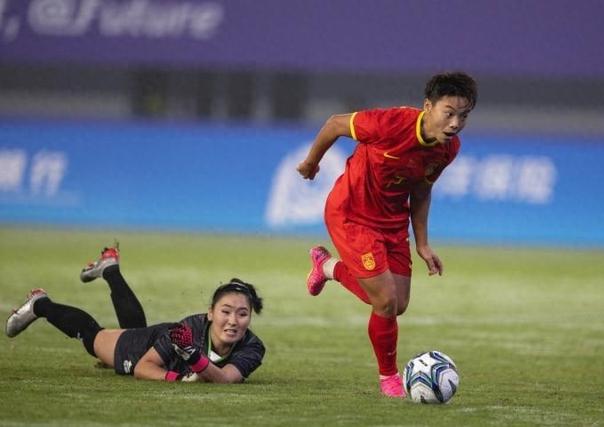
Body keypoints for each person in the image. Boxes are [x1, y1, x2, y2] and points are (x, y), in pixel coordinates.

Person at [297, 72, 477, 397]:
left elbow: (422, 190)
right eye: (448, 112)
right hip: (352, 213)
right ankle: (389, 379)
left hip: (393, 223)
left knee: (399, 304)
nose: (455, 123)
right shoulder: (390, 123)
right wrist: (312, 163)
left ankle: (328, 267)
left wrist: (422, 243)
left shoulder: (447, 149)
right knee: (385, 301)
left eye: (463, 116)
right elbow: (336, 123)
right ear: (428, 106)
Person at [5, 244, 265, 383]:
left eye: (242, 314)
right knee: (92, 338)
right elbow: (142, 367)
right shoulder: (186, 331)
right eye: (226, 311)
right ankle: (40, 304)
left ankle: (109, 269)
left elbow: (224, 380)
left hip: (162, 345)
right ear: (210, 313)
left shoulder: (253, 347)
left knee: (135, 329)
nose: (233, 321)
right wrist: (179, 379)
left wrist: (192, 358)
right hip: (145, 348)